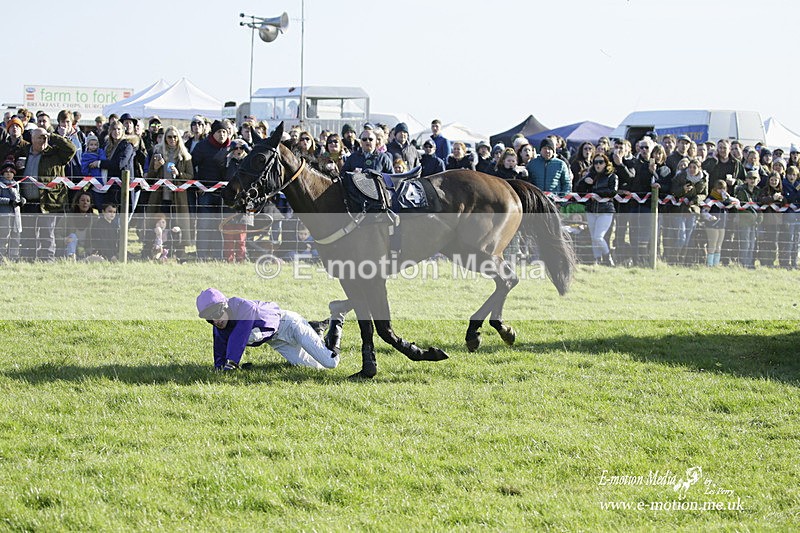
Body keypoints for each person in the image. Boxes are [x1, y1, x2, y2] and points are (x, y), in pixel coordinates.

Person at [196, 288, 339, 371]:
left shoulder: (245, 307)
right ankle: (317, 331)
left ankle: (337, 322)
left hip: (290, 325)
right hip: (277, 341)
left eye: (217, 314)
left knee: (331, 363)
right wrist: (221, 368)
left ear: (225, 307)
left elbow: (238, 337)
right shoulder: (218, 324)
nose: (216, 321)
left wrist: (232, 362)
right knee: (316, 369)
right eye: (210, 319)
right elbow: (220, 353)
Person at [18, 128, 77, 261]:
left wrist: (53, 136)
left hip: (48, 201)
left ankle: (47, 260)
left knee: (47, 233)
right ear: (32, 139)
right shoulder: (24, 152)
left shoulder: (55, 154)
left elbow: (71, 149)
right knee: (29, 233)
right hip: (27, 201)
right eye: (39, 137)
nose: (43, 140)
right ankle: (29, 259)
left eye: (45, 137)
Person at [192, 120, 230, 260]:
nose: (222, 134)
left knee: (220, 225)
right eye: (219, 132)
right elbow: (191, 166)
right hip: (205, 192)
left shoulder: (231, 147)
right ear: (213, 134)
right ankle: (201, 255)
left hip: (223, 194)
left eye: (224, 132)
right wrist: (198, 185)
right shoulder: (202, 147)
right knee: (204, 224)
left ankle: (218, 255)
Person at [574, 152, 618, 266]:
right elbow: (579, 190)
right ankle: (596, 260)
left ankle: (608, 257)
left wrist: (596, 193)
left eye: (601, 162)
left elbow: (613, 192)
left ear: (606, 163)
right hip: (591, 210)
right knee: (593, 237)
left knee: (599, 237)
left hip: (606, 210)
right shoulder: (590, 175)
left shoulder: (612, 176)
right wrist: (584, 181)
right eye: (596, 162)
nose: (598, 165)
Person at [671, 158, 708, 265]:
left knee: (688, 238)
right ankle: (674, 257)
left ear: (699, 168)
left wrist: (696, 199)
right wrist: (683, 190)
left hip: (693, 210)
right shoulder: (681, 176)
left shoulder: (703, 179)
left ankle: (681, 260)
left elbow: (704, 194)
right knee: (681, 237)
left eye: (694, 167)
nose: (692, 169)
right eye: (690, 167)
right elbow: (673, 190)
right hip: (680, 209)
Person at [701, 179, 737, 267]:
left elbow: (736, 202)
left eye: (724, 188)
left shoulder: (725, 199)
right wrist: (710, 217)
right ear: (715, 188)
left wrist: (728, 198)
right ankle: (709, 264)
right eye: (719, 188)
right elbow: (704, 212)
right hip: (712, 225)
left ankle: (716, 264)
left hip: (722, 224)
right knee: (712, 244)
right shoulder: (710, 199)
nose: (722, 191)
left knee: (719, 245)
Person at [733, 171, 761, 269]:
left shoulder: (758, 191)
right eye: (750, 178)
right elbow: (741, 208)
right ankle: (744, 262)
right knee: (745, 242)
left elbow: (760, 206)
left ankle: (750, 263)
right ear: (746, 180)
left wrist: (759, 218)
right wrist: (751, 216)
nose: (752, 180)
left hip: (755, 221)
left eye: (755, 178)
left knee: (752, 242)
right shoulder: (741, 191)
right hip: (744, 219)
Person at [757, 173, 784, 267]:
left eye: (775, 180)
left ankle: (771, 261)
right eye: (772, 180)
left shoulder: (781, 190)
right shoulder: (764, 190)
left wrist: (782, 199)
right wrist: (772, 198)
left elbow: (786, 202)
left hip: (777, 220)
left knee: (773, 242)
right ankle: (763, 261)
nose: (773, 182)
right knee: (764, 241)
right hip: (765, 219)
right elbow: (761, 200)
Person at [0, 160, 24, 260]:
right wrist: (9, 201)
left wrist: (22, 200)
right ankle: (1, 256)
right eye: (6, 172)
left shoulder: (16, 184)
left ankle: (13, 257)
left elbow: (18, 197)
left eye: (11, 172)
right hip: (4, 214)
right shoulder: (1, 185)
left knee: (16, 235)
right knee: (4, 235)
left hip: (16, 215)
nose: (8, 174)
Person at [65, 191, 97, 259]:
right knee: (72, 236)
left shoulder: (95, 219)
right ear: (77, 202)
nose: (85, 203)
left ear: (90, 204)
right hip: (69, 249)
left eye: (88, 201)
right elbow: (57, 233)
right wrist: (64, 240)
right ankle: (71, 258)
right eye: (82, 200)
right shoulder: (67, 217)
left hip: (88, 251)